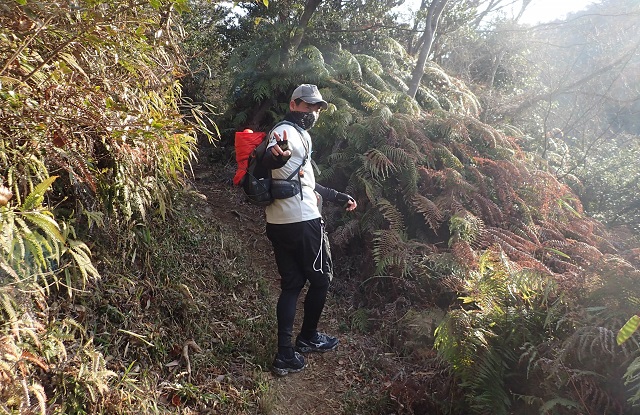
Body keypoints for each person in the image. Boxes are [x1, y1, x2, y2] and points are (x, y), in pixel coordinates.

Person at [261, 84, 357, 376]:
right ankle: (308, 337)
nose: (312, 112)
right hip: (303, 222)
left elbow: (306, 183)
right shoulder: (286, 132)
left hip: (277, 221)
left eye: (316, 108)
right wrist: (276, 156)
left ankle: (284, 354)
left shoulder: (301, 135)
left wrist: (339, 197)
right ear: (294, 104)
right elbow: (272, 155)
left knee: (291, 285)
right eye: (307, 106)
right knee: (322, 279)